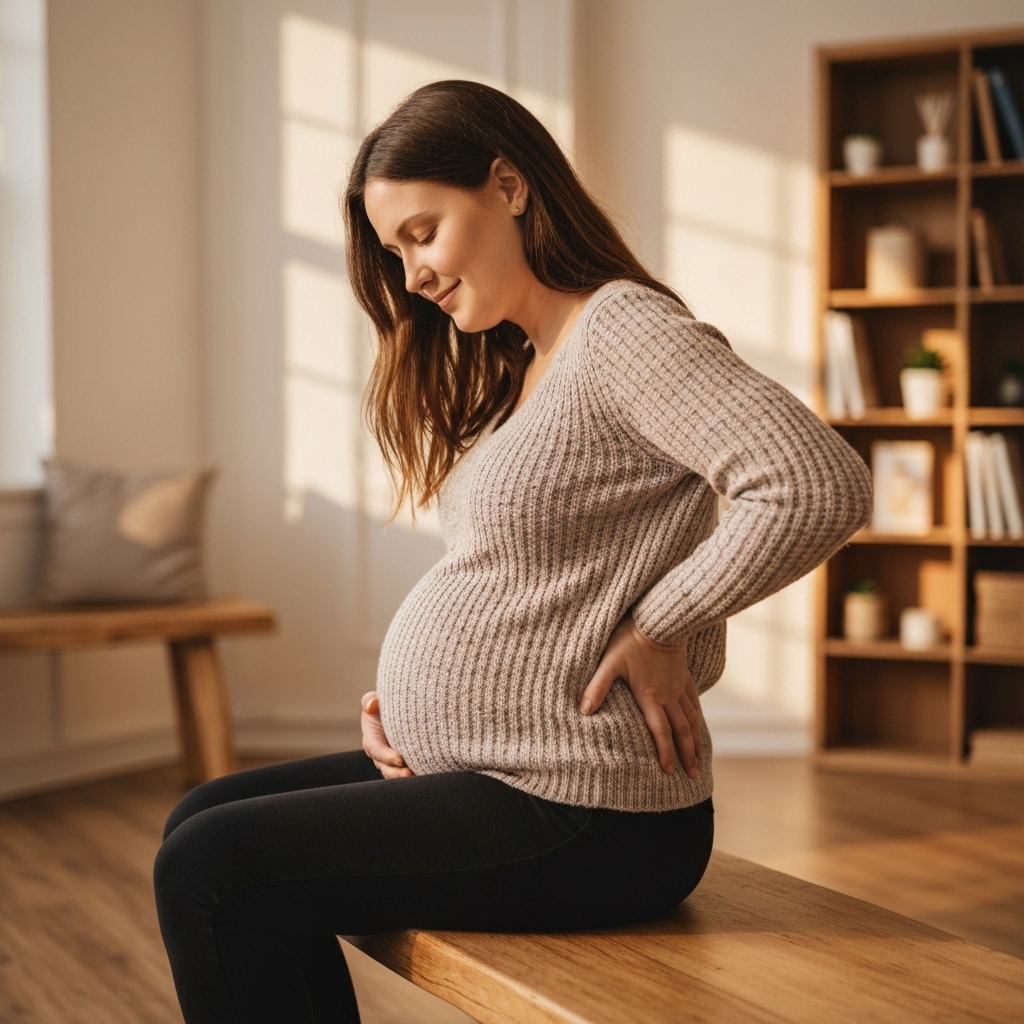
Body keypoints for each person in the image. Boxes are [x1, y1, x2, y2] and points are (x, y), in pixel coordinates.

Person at [154, 80, 872, 1024]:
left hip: (590, 815)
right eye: (392, 251)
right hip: (504, 773)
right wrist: (418, 712)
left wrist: (665, 623)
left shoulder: (621, 328)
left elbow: (816, 481)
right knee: (196, 820)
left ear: (509, 185)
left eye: (422, 233)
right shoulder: (530, 360)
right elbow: (536, 580)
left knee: (213, 869)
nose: (410, 275)